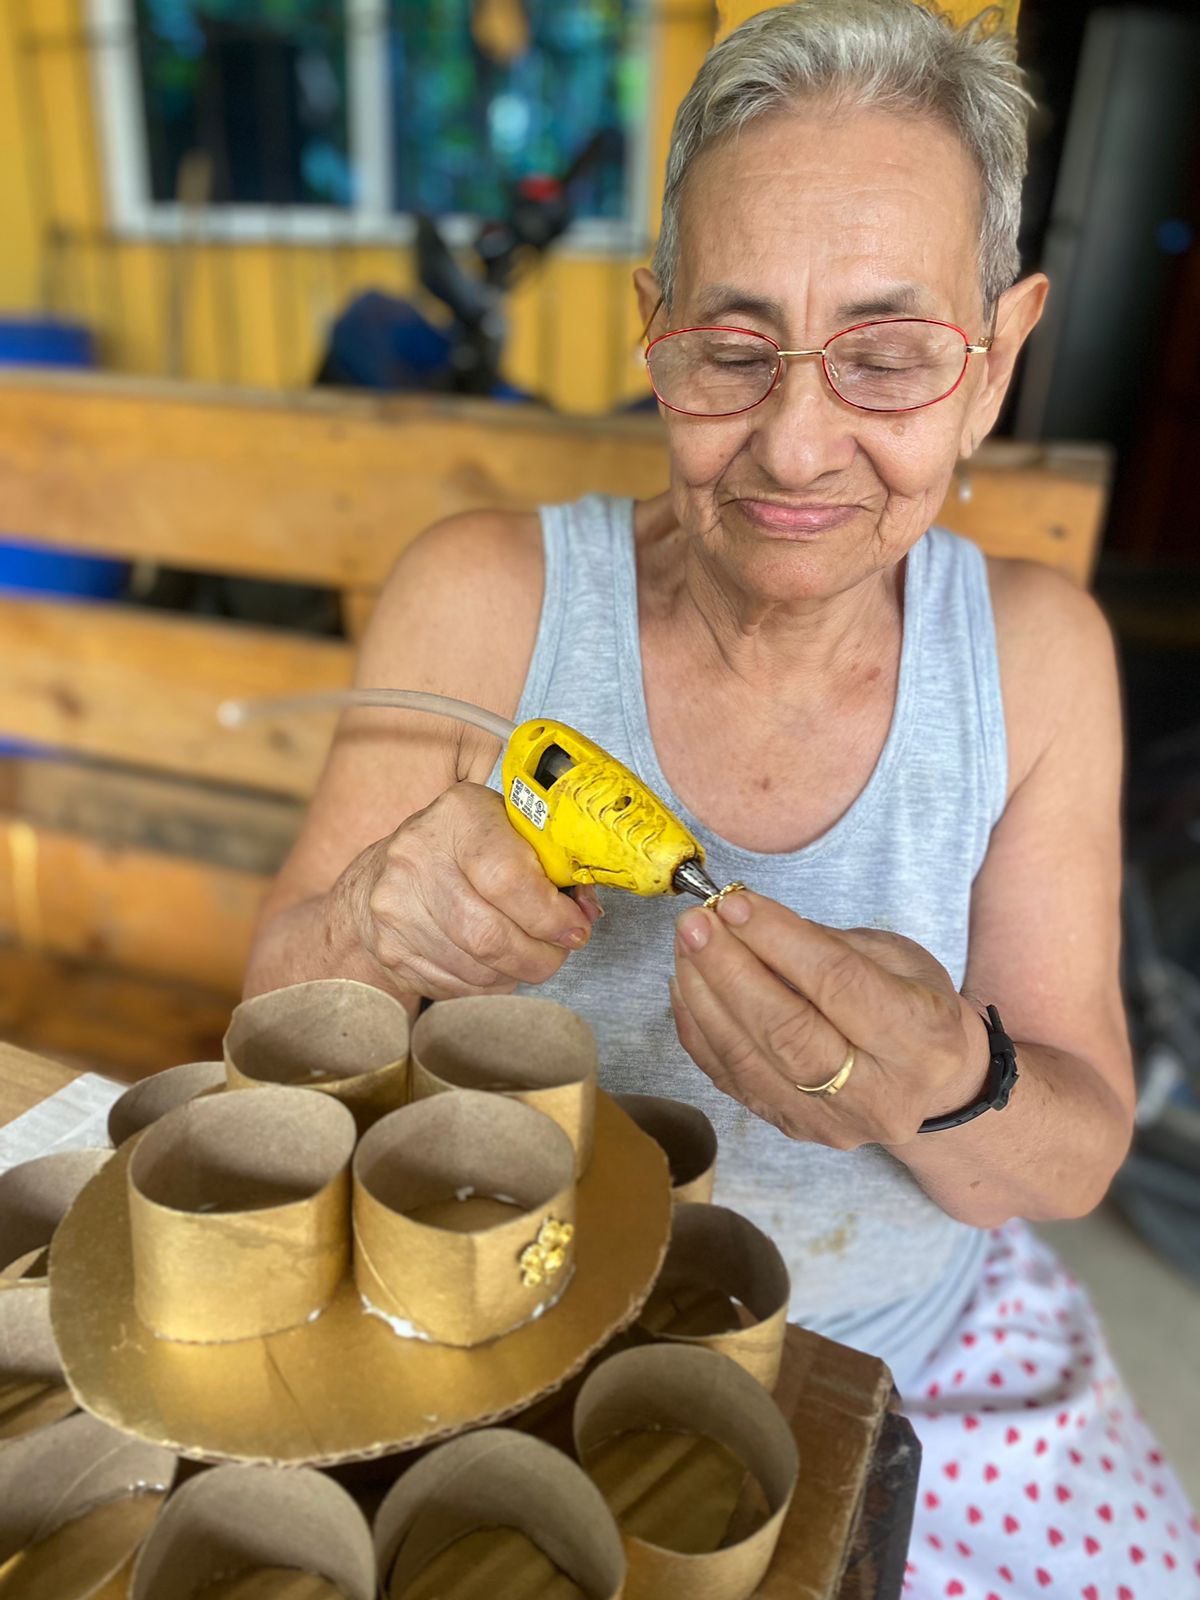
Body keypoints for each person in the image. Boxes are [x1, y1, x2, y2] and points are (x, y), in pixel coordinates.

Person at [246, 1, 1200, 1591]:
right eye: (734, 350)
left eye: (886, 356)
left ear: (994, 362)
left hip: (900, 1355)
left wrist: (941, 1083)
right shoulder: (486, 603)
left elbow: (1074, 1149)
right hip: (499, 1333)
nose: (799, 444)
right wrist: (371, 923)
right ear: (656, 330)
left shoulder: (1036, 660)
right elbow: (268, 1012)